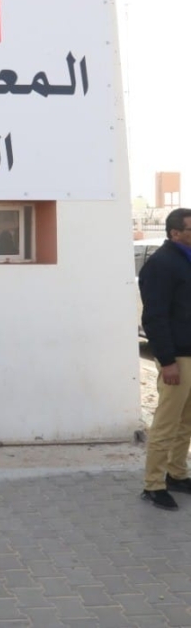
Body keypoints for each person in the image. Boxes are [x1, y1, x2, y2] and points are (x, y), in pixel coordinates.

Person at [139, 207, 191, 510]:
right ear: (175, 233)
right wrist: (167, 360)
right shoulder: (161, 264)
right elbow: (154, 317)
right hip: (177, 358)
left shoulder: (186, 261)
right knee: (167, 423)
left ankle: (177, 474)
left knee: (186, 422)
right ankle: (154, 484)